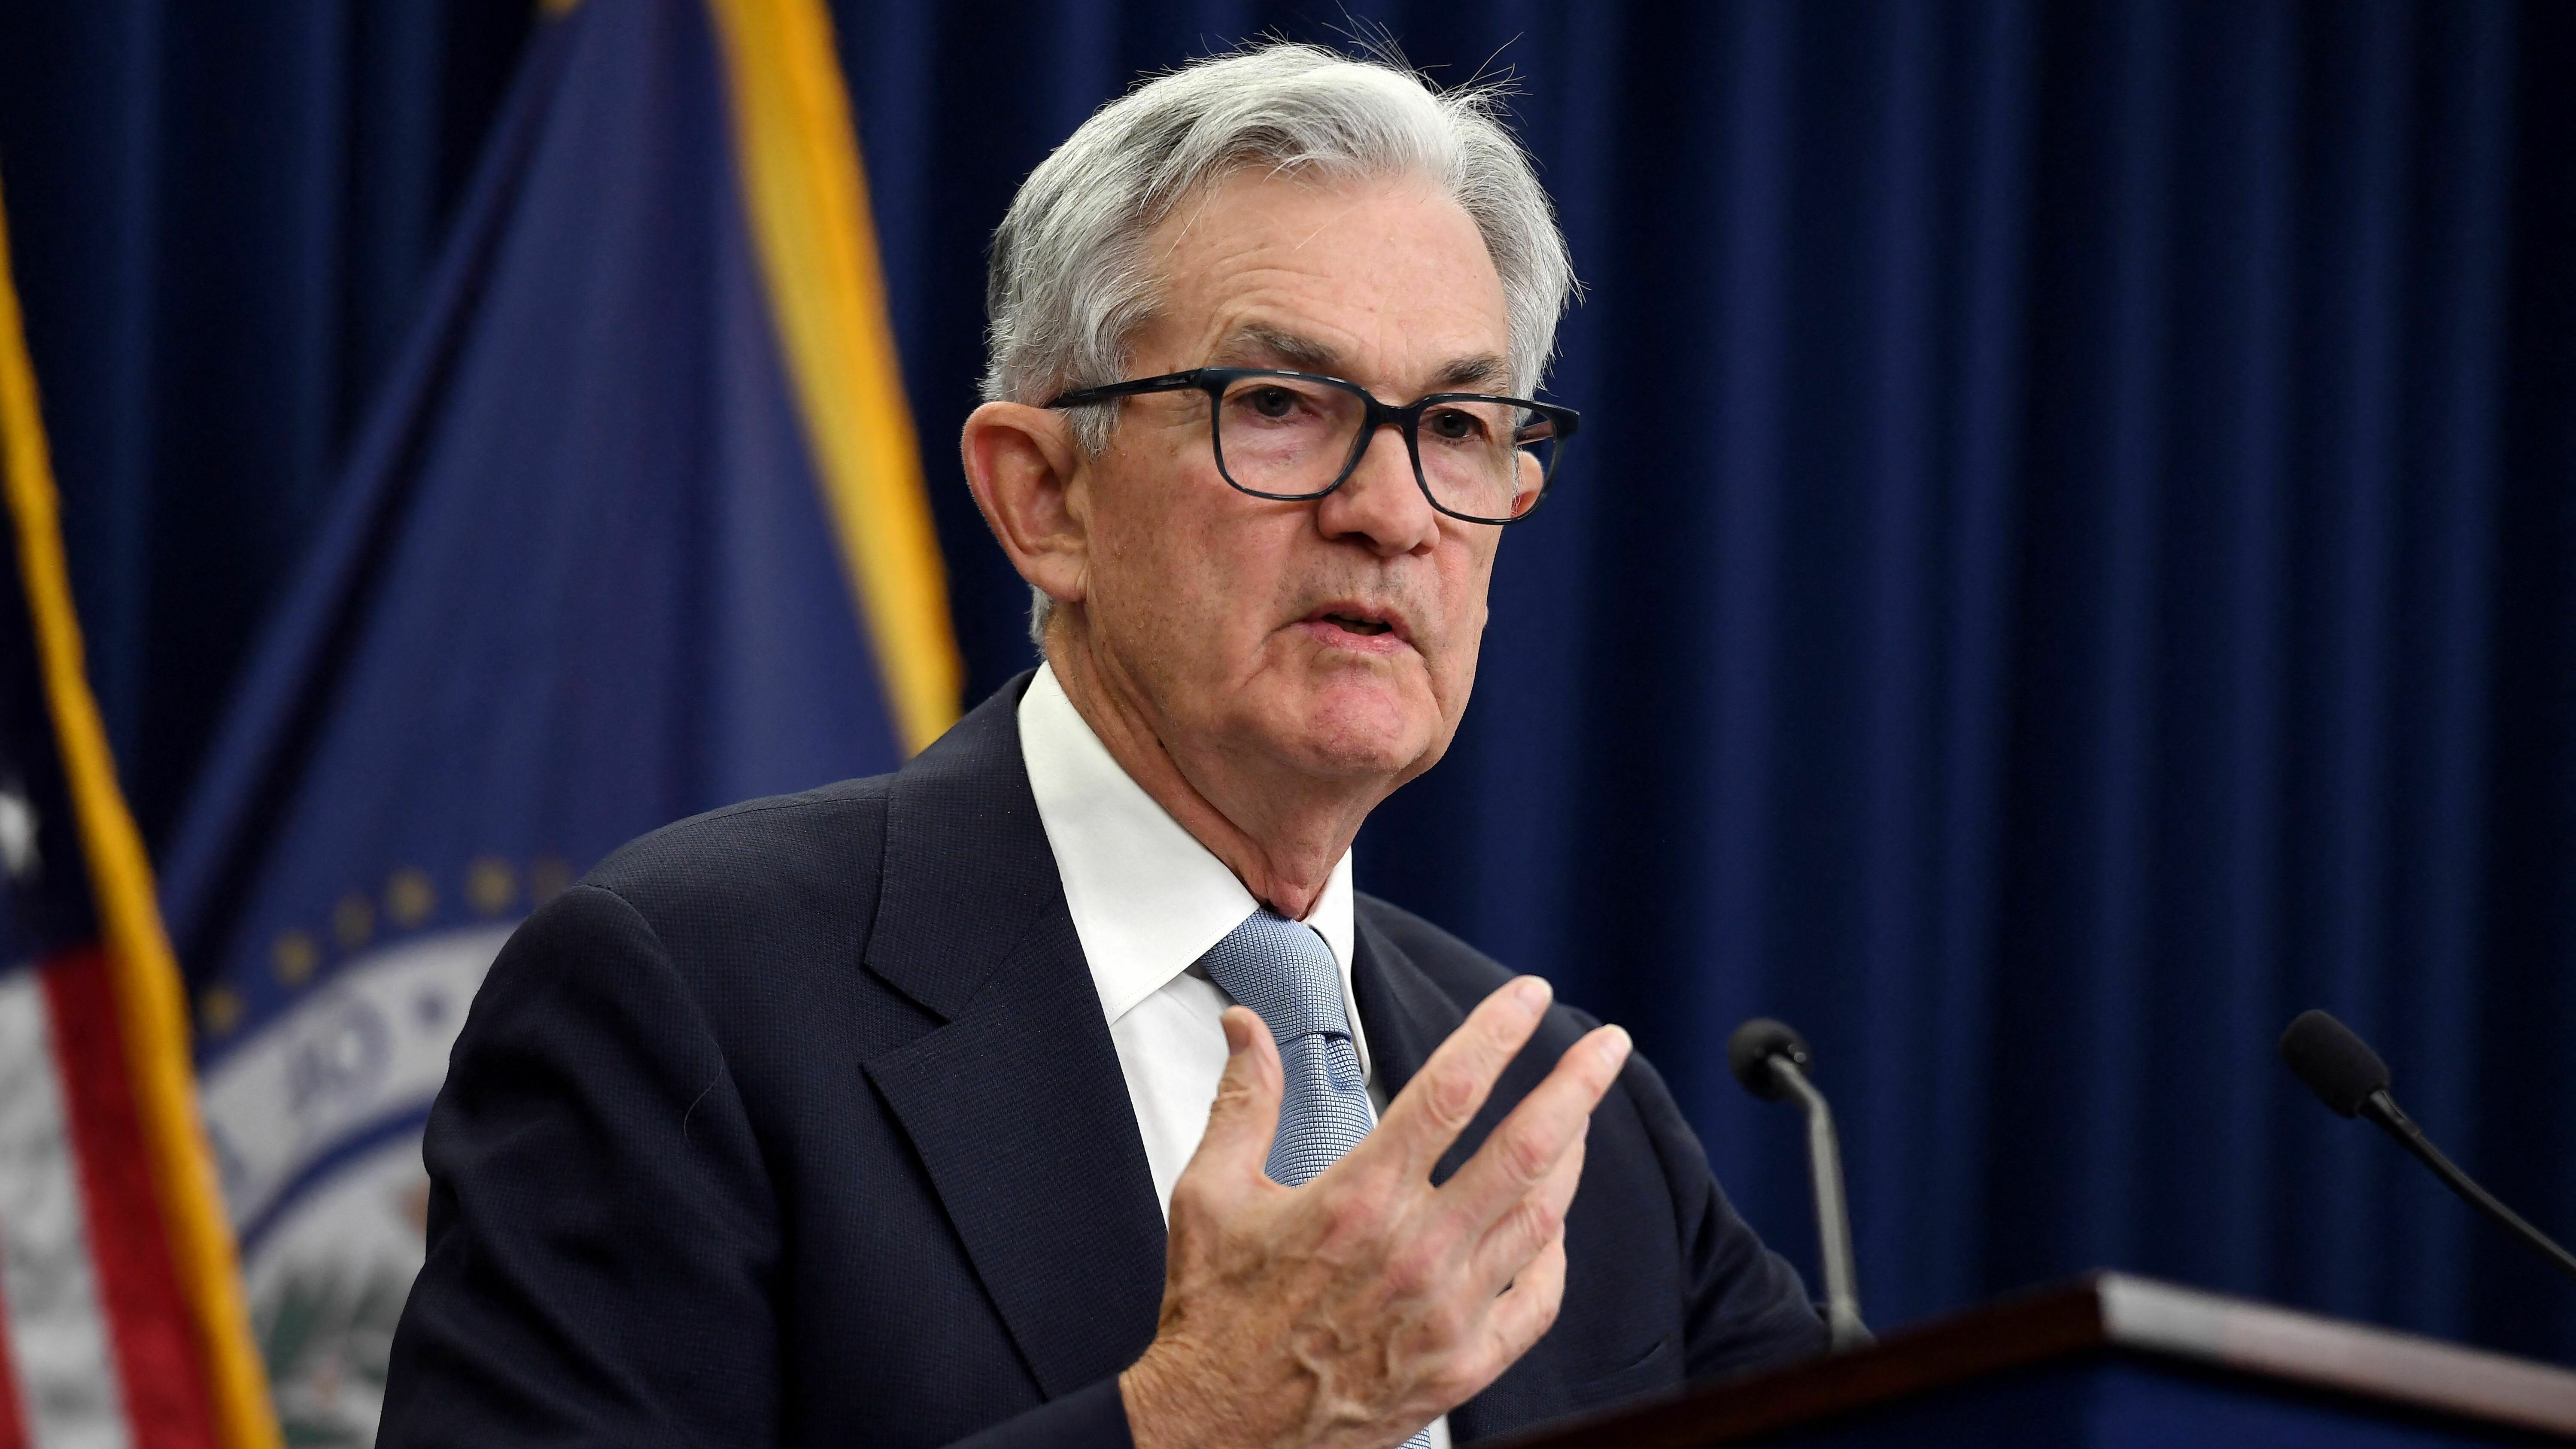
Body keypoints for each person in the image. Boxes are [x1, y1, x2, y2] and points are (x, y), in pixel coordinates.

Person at [379, 41, 1825, 1449]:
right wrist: (1195, 1427)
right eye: (1279, 405)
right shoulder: (687, 1000)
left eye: (1456, 424)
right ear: (1043, 499)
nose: (1394, 512)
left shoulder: (1568, 1125)